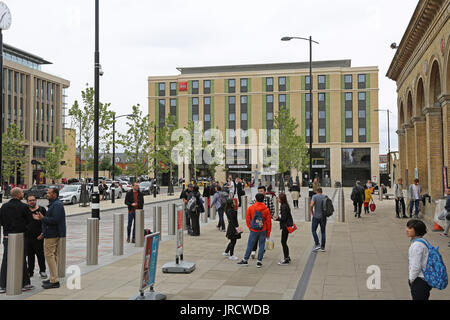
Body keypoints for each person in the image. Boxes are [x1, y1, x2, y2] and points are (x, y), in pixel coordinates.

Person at [0, 188, 35, 293]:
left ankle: (3, 285)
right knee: (22, 259)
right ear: (19, 194)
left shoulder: (4, 207)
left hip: (8, 236)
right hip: (20, 236)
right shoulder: (24, 207)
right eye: (22, 192)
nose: (23, 194)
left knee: (6, 259)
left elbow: (1, 221)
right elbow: (30, 221)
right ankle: (25, 283)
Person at [33, 187, 67, 289]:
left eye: (49, 193)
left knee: (49, 255)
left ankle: (54, 280)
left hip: (52, 234)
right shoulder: (55, 204)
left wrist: (42, 218)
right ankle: (53, 277)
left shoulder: (57, 205)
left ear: (54, 195)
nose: (47, 194)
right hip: (52, 233)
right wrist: (42, 219)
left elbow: (54, 220)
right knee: (53, 256)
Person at [237, 193, 272, 268]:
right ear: (263, 199)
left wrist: (250, 227)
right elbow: (269, 222)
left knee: (250, 244)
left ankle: (245, 259)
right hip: (263, 229)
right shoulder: (266, 209)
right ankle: (259, 261)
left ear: (256, 199)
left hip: (253, 230)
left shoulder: (251, 208)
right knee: (262, 245)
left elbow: (248, 219)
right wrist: (268, 232)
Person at [406, 219, 431, 300]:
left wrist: (411, 279)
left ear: (417, 230)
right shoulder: (423, 241)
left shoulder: (417, 245)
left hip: (420, 279)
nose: (407, 230)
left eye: (410, 228)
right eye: (407, 227)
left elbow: (416, 266)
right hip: (425, 279)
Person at [250, 186, 275, 259]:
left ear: (265, 192)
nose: (260, 192)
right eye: (259, 191)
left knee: (263, 238)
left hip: (265, 222)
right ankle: (253, 251)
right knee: (255, 236)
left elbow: (272, 209)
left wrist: (269, 218)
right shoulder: (255, 200)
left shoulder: (268, 199)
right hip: (257, 222)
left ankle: (262, 251)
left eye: (261, 191)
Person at [25, 195, 47, 279]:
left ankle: (42, 271)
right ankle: (30, 271)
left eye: (33, 200)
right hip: (28, 237)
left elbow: (46, 222)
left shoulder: (41, 209)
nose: (32, 202)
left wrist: (43, 233)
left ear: (36, 200)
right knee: (30, 255)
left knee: (40, 254)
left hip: (39, 236)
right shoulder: (25, 210)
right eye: (30, 200)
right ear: (27, 202)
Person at [274, 193, 294, 265]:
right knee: (284, 242)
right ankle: (287, 257)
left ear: (281, 199)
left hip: (285, 226)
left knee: (283, 242)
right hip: (286, 226)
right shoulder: (285, 205)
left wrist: (277, 219)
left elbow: (284, 218)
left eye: (278, 198)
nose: (277, 199)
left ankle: (286, 258)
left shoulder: (284, 206)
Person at [310, 187, 327, 252]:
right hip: (323, 217)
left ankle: (317, 244)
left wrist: (312, 213)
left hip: (316, 216)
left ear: (317, 191)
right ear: (321, 191)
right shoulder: (325, 196)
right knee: (323, 232)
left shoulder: (314, 196)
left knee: (313, 230)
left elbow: (311, 205)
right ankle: (323, 247)